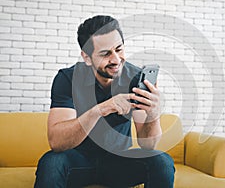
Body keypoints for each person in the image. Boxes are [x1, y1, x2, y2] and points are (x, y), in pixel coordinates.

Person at [34, 15, 175, 188]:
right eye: (105, 54)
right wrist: (100, 109)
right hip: (78, 161)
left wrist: (153, 114)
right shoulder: (67, 79)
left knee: (162, 161)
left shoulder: (134, 78)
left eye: (119, 49)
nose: (116, 59)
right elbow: (57, 143)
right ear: (86, 57)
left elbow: (148, 145)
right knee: (51, 162)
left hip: (118, 162)